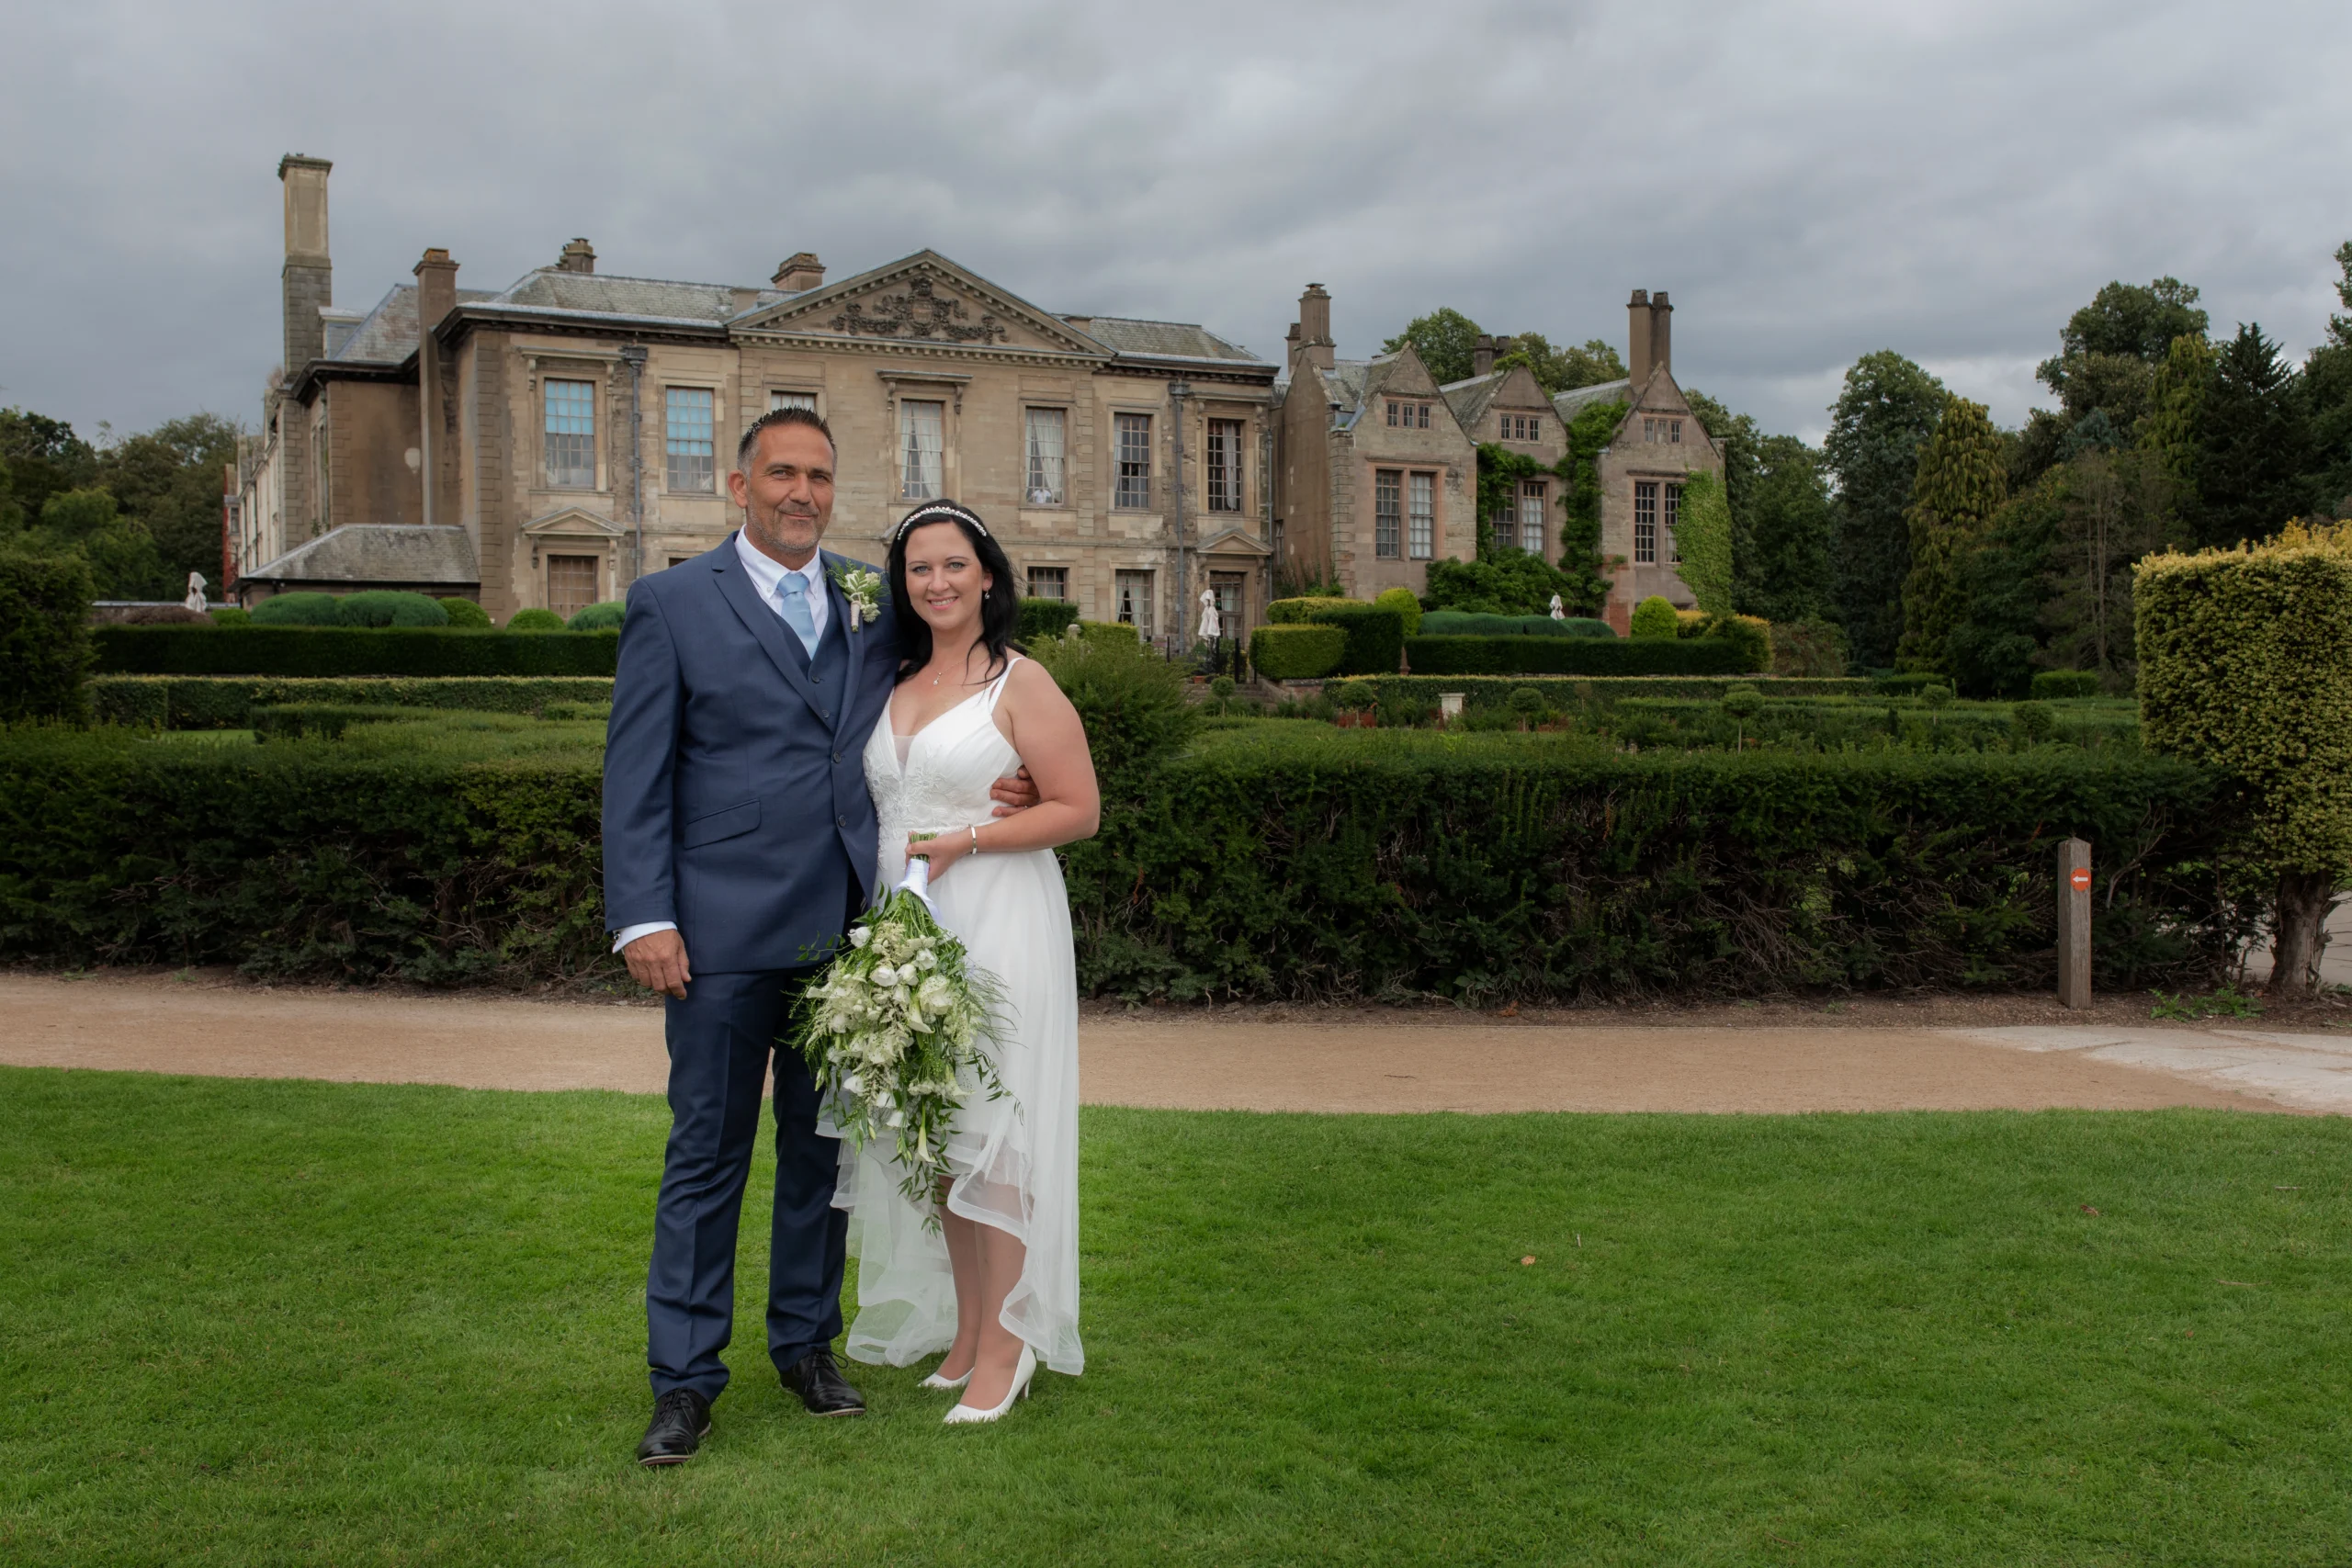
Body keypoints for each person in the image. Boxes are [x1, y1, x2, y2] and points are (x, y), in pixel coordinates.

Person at [602, 409, 1035, 1465]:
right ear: (740, 486)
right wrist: (643, 916)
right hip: (712, 934)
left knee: (820, 1156)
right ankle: (685, 1382)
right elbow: (635, 773)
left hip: (847, 932)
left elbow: (938, 696)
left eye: (820, 475)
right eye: (782, 473)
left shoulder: (869, 599)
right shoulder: (669, 603)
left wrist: (1002, 780)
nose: (803, 490)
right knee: (706, 1157)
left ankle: (804, 1345)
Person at [833, 499, 1097, 1425]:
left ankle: (1010, 1343)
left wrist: (972, 838)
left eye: (953, 565)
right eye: (918, 569)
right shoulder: (888, 674)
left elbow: (1077, 808)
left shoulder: (1020, 682)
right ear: (901, 585)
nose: (937, 583)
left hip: (994, 913)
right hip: (900, 924)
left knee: (997, 1131)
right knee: (937, 1135)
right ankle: (970, 1325)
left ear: (988, 574)